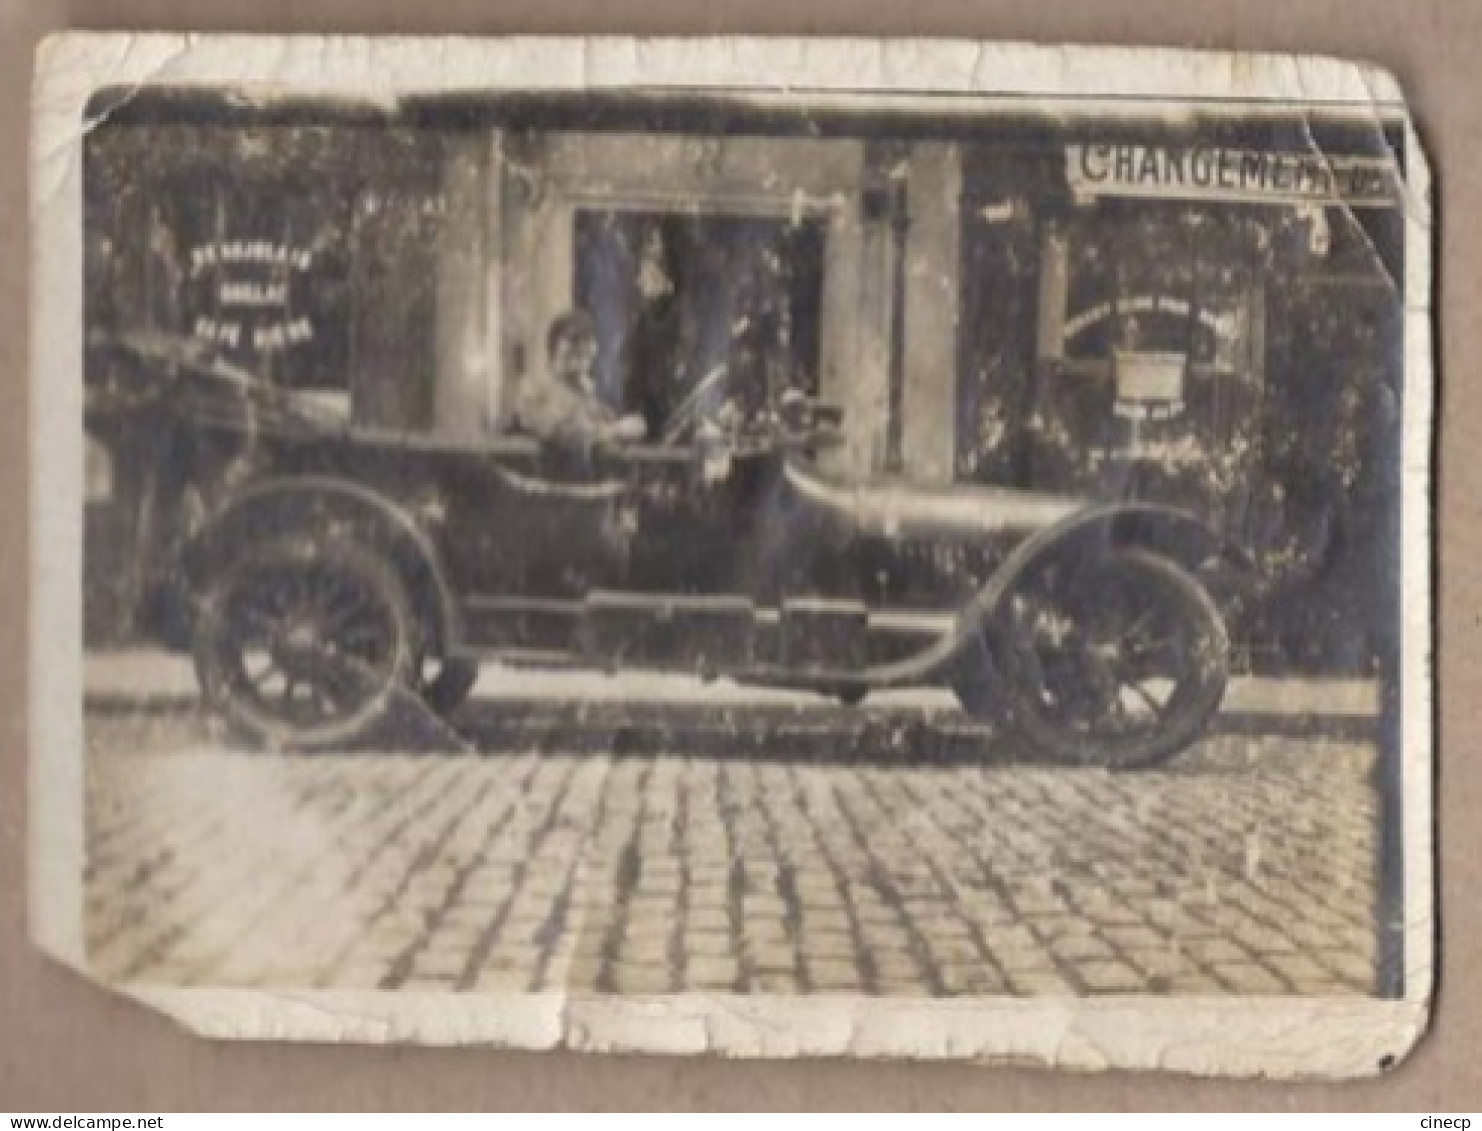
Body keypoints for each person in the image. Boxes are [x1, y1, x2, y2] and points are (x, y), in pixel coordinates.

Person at [514, 309, 647, 454]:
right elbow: (557, 430)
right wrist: (615, 431)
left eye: (587, 346)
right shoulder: (538, 391)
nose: (582, 355)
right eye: (574, 342)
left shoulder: (589, 400)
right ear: (555, 350)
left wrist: (627, 428)